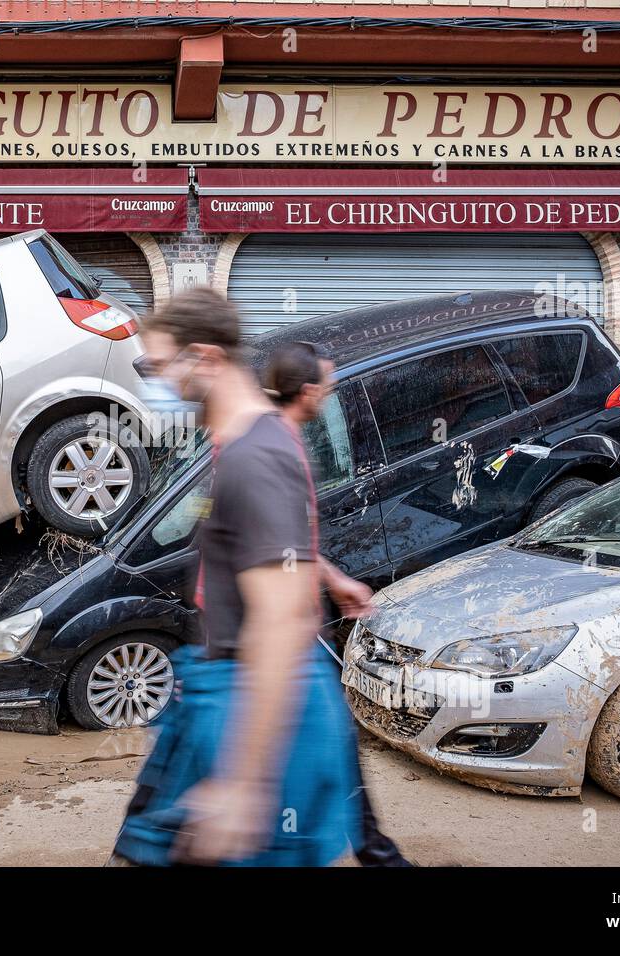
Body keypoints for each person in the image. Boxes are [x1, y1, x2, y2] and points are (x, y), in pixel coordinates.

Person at [111, 288, 368, 866]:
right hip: (219, 687)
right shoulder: (249, 440)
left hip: (257, 702)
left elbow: (281, 620)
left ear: (203, 358)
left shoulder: (254, 456)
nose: (154, 381)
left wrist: (243, 784)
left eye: (155, 366)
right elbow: (277, 549)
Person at [264, 340, 413, 868]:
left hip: (296, 637)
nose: (330, 392)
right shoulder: (276, 450)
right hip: (287, 643)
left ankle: (375, 853)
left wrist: (334, 580)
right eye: (325, 384)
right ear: (306, 392)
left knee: (327, 750)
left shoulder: (285, 441)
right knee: (322, 752)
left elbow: (293, 544)